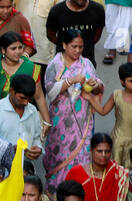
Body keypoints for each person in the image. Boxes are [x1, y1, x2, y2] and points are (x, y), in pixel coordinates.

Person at [42, 29, 104, 186]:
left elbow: (98, 87)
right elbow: (50, 91)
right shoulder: (55, 65)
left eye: (80, 47)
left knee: (82, 155)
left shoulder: (87, 64)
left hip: (83, 121)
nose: (77, 50)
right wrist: (71, 80)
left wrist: (94, 85)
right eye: (73, 46)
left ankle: (79, 191)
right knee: (59, 156)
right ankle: (56, 193)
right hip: (60, 122)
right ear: (64, 45)